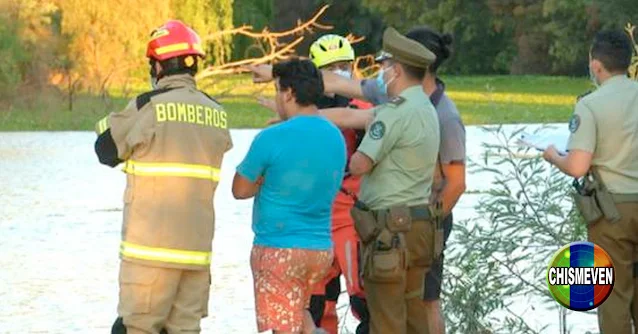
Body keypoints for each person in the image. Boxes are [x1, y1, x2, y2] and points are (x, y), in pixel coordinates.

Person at [94, 20, 232, 334]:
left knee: (135, 328)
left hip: (149, 256)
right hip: (196, 256)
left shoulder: (149, 106)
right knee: (185, 330)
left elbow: (105, 151)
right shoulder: (217, 112)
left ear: (157, 66)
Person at [257, 33, 372, 334]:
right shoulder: (296, 116)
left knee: (365, 298)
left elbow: (352, 117)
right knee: (316, 304)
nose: (338, 74)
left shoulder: (363, 107)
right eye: (330, 69)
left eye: (343, 66)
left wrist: (298, 118)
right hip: (314, 221)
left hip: (352, 214)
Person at [232, 58, 347, 334]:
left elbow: (239, 189)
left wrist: (265, 179)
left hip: (279, 250)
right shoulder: (336, 136)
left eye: (277, 90)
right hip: (320, 249)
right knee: (302, 318)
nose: (276, 97)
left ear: (289, 93)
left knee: (284, 329)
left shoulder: (272, 137)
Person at [543, 30, 638, 334]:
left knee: (614, 299)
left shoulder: (590, 105)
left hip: (612, 213)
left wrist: (554, 156)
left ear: (596, 65)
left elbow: (577, 166)